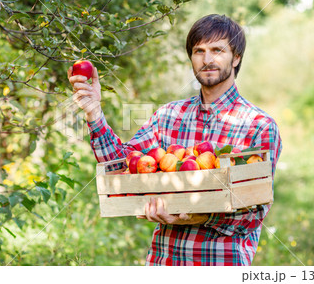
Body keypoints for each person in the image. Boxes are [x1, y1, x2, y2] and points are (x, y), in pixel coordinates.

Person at [68, 14, 282, 266]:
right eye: (199, 50)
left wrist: (196, 216)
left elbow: (253, 214)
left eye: (218, 50)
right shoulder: (168, 116)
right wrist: (94, 113)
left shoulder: (258, 126)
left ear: (236, 57)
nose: (208, 59)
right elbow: (121, 167)